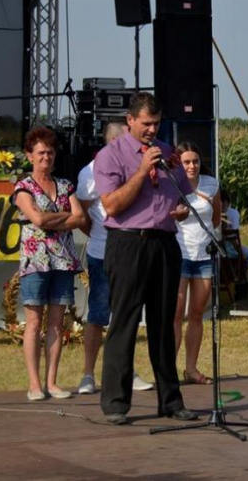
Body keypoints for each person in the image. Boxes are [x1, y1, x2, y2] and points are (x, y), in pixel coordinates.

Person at [93, 92, 198, 425]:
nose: (153, 130)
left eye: (157, 123)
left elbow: (182, 195)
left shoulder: (169, 155)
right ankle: (115, 403)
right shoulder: (111, 156)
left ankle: (170, 400)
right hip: (128, 244)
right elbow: (112, 205)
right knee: (124, 321)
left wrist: (181, 211)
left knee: (164, 324)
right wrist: (141, 171)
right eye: (147, 124)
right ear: (130, 120)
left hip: (165, 242)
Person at [75, 120, 153, 395]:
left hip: (131, 252)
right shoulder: (90, 172)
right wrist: (98, 234)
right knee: (98, 315)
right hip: (101, 253)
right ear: (111, 143)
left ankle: (127, 372)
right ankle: (88, 375)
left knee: (127, 315)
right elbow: (83, 214)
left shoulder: (137, 168)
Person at [12, 127, 85, 401]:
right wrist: (63, 216)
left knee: (56, 323)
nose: (47, 157)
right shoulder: (23, 187)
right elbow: (38, 220)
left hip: (63, 261)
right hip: (35, 261)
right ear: (30, 155)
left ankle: (52, 382)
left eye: (51, 152)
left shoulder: (66, 185)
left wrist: (52, 216)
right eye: (41, 152)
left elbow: (80, 218)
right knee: (33, 322)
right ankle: (34, 384)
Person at [173, 141, 220, 386]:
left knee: (197, 314)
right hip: (180, 253)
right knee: (176, 313)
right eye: (187, 162)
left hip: (204, 255)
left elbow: (216, 218)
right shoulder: (171, 184)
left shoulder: (211, 184)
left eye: (196, 161)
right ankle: (168, 369)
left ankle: (191, 368)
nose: (192, 166)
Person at [220, 189, 248, 269]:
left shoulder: (233, 213)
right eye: (220, 202)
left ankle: (241, 274)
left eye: (224, 202)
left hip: (231, 243)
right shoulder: (212, 213)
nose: (222, 204)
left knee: (247, 253)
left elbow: (234, 233)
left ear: (228, 202)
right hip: (218, 244)